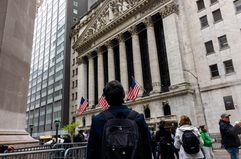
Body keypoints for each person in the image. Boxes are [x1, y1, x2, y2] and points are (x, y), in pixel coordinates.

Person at [87, 80, 152, 159]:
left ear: (106, 99)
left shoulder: (98, 121)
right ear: (123, 95)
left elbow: (91, 153)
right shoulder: (138, 118)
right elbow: (148, 149)